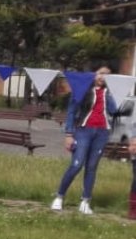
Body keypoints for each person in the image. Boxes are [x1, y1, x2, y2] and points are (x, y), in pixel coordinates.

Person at [50, 66, 117, 215]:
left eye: (107, 75)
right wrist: (69, 134)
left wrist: (111, 93)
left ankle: (85, 201)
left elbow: (113, 110)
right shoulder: (82, 90)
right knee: (77, 164)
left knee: (92, 167)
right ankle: (59, 196)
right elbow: (72, 112)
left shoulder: (110, 93)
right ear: (93, 74)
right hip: (83, 131)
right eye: (100, 73)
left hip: (102, 133)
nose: (102, 77)